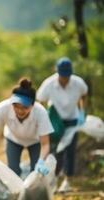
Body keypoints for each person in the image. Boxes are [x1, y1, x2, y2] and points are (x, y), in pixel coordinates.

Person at [37, 57, 88, 192]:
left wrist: (82, 111)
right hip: (56, 120)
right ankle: (52, 178)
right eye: (62, 76)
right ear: (57, 73)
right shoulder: (49, 84)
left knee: (70, 151)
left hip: (73, 119)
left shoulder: (78, 83)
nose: (65, 79)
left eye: (67, 76)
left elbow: (84, 94)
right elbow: (40, 100)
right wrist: (44, 118)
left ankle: (67, 180)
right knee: (54, 150)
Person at [0, 78, 53, 177]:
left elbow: (45, 144)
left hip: (35, 141)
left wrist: (41, 161)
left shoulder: (40, 113)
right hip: (13, 139)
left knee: (36, 173)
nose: (20, 111)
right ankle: (16, 192)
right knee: (13, 171)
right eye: (16, 106)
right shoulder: (2, 108)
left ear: (32, 105)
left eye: (25, 107)